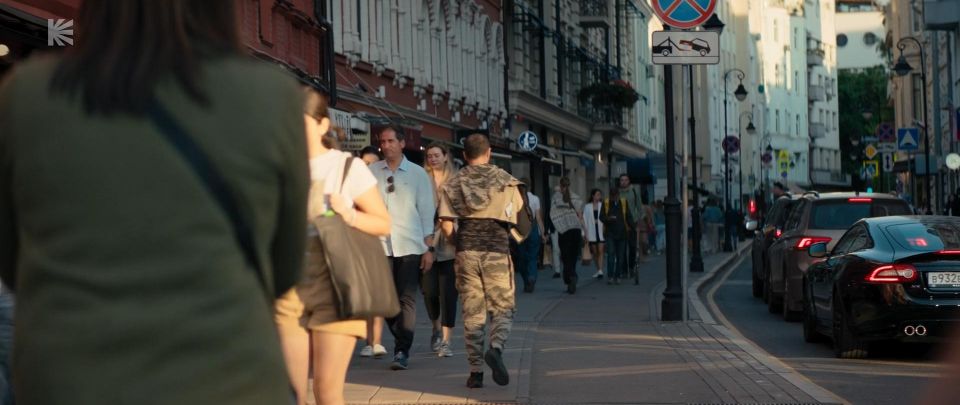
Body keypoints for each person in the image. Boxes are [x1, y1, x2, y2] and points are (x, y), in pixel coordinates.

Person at [0, 1, 309, 403]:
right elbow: (284, 268)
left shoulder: (27, 95)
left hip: (72, 377)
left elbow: (12, 261)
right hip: (229, 375)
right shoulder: (271, 95)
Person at [275, 88, 391, 405]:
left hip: (335, 284)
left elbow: (383, 223)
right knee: (291, 393)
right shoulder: (279, 166)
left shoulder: (346, 167)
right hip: (288, 285)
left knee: (327, 391)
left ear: (322, 125)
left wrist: (349, 213)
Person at [438, 133, 524, 389]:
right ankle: (495, 348)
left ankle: (475, 373)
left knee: (473, 313)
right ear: (488, 154)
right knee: (503, 307)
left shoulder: (453, 183)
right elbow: (519, 216)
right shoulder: (506, 180)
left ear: (465, 155)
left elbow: (445, 225)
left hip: (466, 252)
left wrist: (458, 243)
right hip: (496, 250)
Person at [369, 126, 436, 371]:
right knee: (384, 300)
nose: (385, 145)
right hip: (379, 245)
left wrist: (428, 248)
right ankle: (401, 338)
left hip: (410, 244)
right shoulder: (372, 172)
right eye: (382, 141)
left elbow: (427, 211)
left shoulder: (418, 174)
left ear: (401, 143)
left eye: (390, 141)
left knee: (406, 298)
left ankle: (401, 350)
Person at [422, 143, 459, 357]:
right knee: (429, 292)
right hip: (426, 244)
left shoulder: (455, 181)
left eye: (436, 155)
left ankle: (446, 340)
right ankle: (435, 327)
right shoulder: (422, 179)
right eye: (429, 156)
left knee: (448, 294)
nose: (432, 159)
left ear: (446, 157)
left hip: (448, 243)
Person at [550, 177, 587, 294]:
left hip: (564, 231)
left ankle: (570, 278)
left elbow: (552, 214)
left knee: (565, 258)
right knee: (573, 257)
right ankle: (572, 276)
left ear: (561, 186)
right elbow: (580, 217)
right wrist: (585, 232)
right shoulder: (576, 198)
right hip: (575, 229)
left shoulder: (556, 197)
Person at [516, 178, 545, 293]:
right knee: (532, 257)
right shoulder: (535, 199)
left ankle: (526, 280)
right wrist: (542, 233)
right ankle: (532, 277)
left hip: (520, 231)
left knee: (522, 258)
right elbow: (538, 217)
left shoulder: (515, 199)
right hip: (532, 230)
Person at [600, 187, 632, 285]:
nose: (614, 198)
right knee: (610, 254)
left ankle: (617, 276)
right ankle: (610, 276)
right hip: (610, 234)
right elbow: (601, 217)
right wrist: (608, 219)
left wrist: (633, 227)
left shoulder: (623, 202)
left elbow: (628, 216)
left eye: (615, 196)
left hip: (622, 234)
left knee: (620, 256)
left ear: (618, 195)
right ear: (610, 195)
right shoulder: (605, 203)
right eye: (612, 196)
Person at [619, 174, 644, 271]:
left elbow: (639, 206)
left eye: (625, 180)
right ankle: (624, 269)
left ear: (629, 181)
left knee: (632, 246)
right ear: (620, 181)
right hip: (621, 223)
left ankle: (632, 267)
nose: (624, 182)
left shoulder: (634, 191)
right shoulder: (617, 192)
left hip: (632, 222)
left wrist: (638, 220)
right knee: (622, 247)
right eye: (622, 180)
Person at [582, 189, 606, 279]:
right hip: (591, 232)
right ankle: (598, 269)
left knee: (601, 251)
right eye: (597, 194)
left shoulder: (602, 205)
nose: (599, 196)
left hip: (600, 231)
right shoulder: (587, 207)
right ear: (593, 196)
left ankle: (600, 270)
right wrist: (584, 233)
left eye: (600, 194)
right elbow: (584, 220)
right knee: (595, 253)